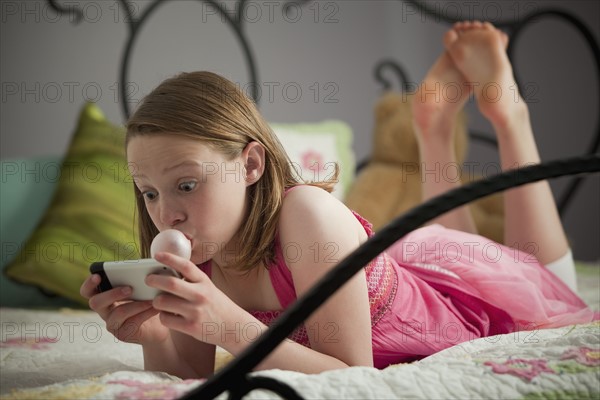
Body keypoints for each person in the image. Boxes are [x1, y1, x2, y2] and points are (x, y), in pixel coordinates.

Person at [80, 21, 597, 377]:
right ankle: (433, 130)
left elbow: (354, 377)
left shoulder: (307, 215)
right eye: (148, 192)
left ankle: (508, 113)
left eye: (187, 184)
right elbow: (191, 374)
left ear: (252, 165)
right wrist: (151, 336)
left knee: (545, 281)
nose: (165, 213)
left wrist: (226, 325)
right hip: (412, 272)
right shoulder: (202, 254)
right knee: (459, 243)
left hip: (455, 311)